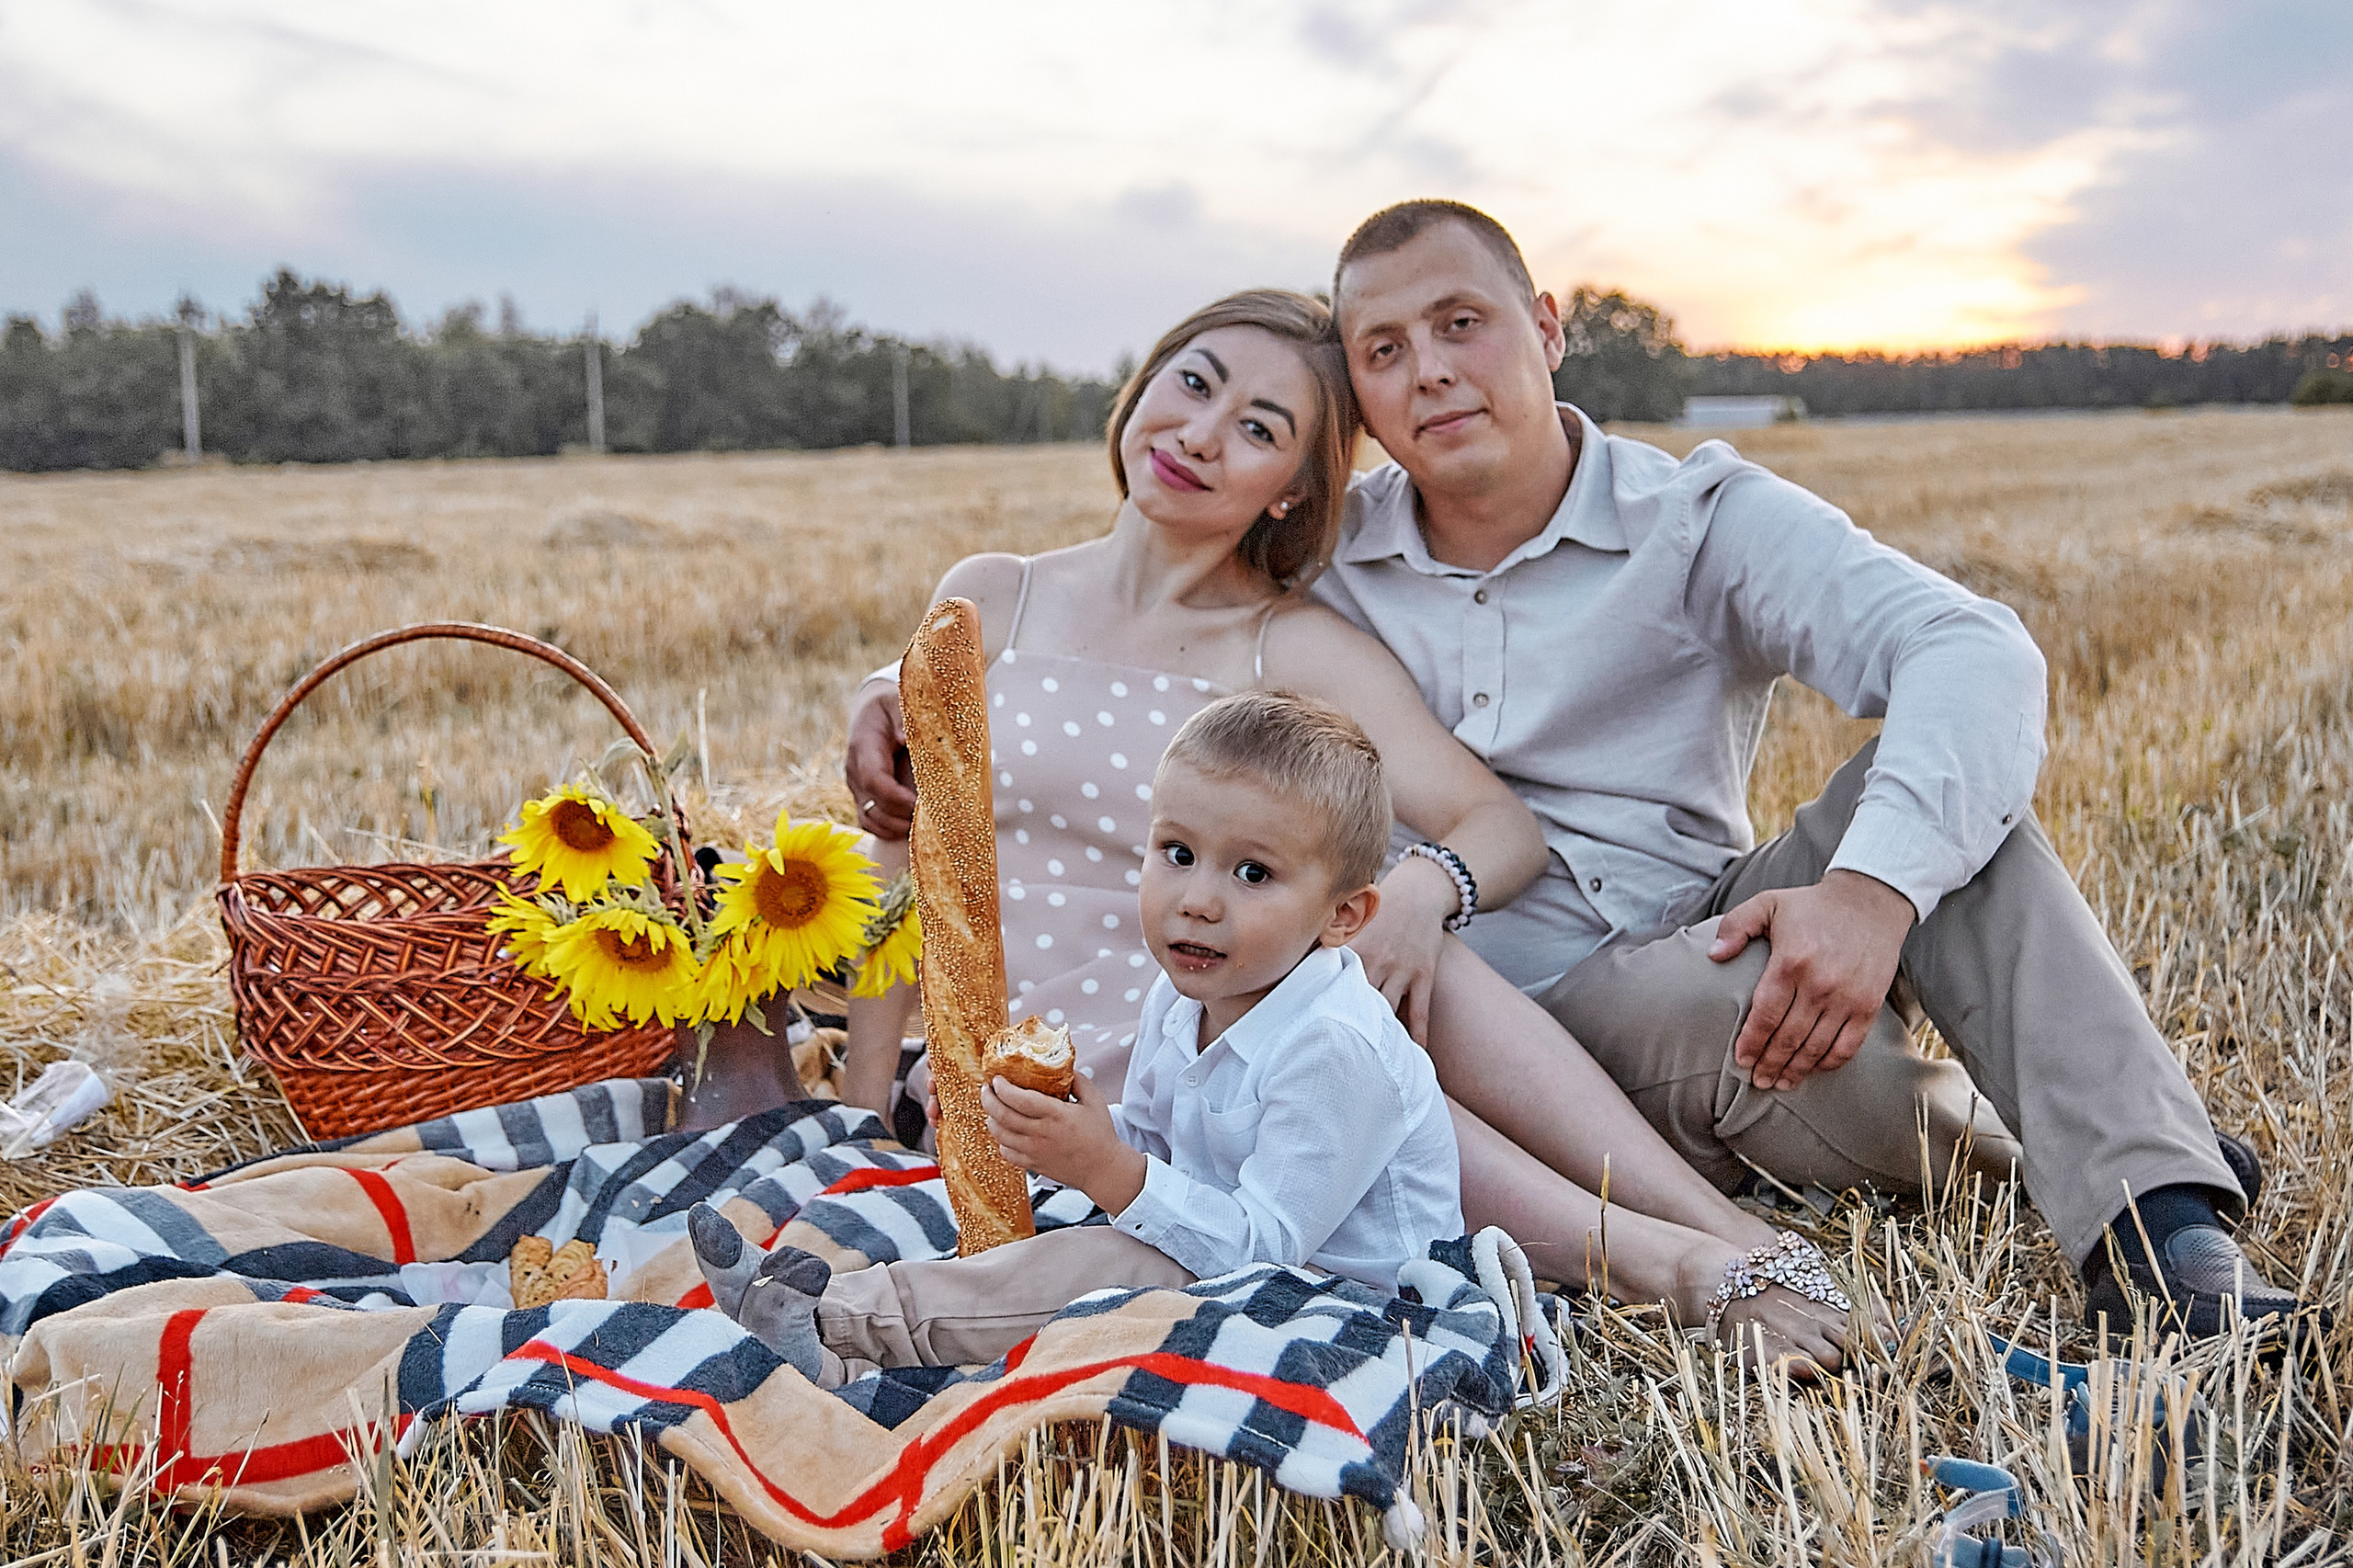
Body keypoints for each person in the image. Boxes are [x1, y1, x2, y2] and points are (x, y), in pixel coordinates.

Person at [1284, 197, 2300, 1339]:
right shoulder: (1323, 565)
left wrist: (1868, 892)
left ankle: (2163, 1230)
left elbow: (1967, 647)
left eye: (1459, 322)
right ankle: (2076, 1142)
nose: (1428, 369)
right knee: (1723, 1005)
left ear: (1548, 327)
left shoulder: (1692, 518)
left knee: (1949, 811)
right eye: (1383, 349)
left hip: (1703, 928)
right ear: (1355, 391)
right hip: (1500, 1023)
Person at [843, 288, 1860, 1371]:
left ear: (1293, 488)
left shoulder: (1289, 643)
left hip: (1221, 1029)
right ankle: (1664, 1259)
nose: (1200, 433)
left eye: (1258, 427)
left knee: (1356, 1017)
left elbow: (1496, 822)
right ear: (1142, 386)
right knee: (1344, 1059)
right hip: (1047, 1078)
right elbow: (906, 856)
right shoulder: (993, 595)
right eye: (1193, 383)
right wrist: (856, 1114)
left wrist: (1421, 892)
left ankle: (1716, 1240)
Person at [687, 692, 1462, 1382]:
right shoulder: (1183, 996)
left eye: (1252, 874)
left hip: (1347, 1307)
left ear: (1343, 916)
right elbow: (1158, 1142)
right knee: (1055, 1243)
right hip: (1219, 1249)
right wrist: (1060, 1133)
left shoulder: (1334, 1048)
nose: (1197, 900)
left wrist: (1104, 1167)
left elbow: (1264, 1250)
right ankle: (842, 1350)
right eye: (1178, 854)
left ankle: (839, 1319)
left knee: (1106, 1262)